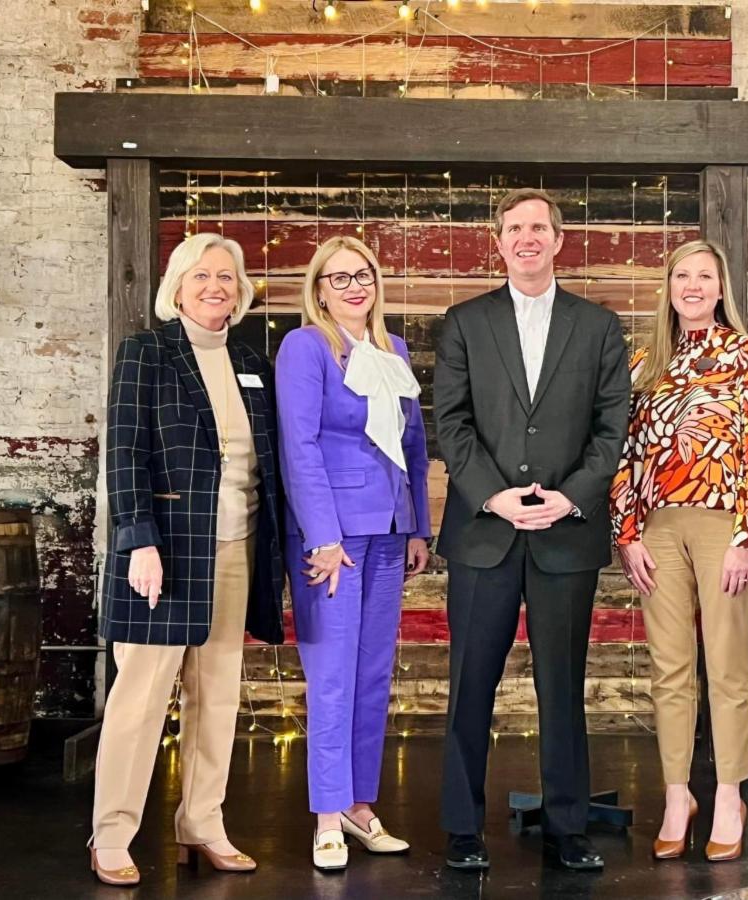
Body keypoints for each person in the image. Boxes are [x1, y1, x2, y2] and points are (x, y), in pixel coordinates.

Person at [433, 187, 630, 871]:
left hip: (563, 534)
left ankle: (567, 828)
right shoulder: (464, 322)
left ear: (558, 239)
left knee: (563, 687)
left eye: (538, 227)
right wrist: (495, 496)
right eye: (514, 228)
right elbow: (451, 423)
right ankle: (462, 829)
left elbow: (611, 429)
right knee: (470, 686)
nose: (527, 238)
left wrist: (569, 499)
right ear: (499, 242)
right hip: (484, 534)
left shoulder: (598, 326)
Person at [91, 233, 284, 886]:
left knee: (218, 696)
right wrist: (138, 540)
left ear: (241, 292)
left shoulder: (252, 362)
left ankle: (203, 822)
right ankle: (112, 833)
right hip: (165, 553)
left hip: (236, 549)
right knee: (141, 699)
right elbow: (125, 453)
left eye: (227, 277)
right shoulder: (147, 352)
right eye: (201, 275)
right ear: (176, 288)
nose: (215, 287)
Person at [610, 239, 748, 862]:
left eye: (704, 275)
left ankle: (730, 795)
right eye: (682, 275)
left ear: (720, 286)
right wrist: (627, 533)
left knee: (727, 663)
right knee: (670, 667)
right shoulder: (645, 362)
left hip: (724, 524)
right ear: (669, 286)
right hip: (657, 526)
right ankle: (677, 795)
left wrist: (746, 535)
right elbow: (625, 452)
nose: (692, 285)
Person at [277, 235, 431, 871]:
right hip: (333, 540)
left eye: (362, 274)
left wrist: (418, 526)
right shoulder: (305, 346)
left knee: (372, 676)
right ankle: (326, 815)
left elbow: (414, 444)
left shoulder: (393, 349)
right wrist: (323, 536)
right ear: (319, 291)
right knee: (333, 678)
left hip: (390, 530)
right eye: (338, 278)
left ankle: (359, 806)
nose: (353, 286)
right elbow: (299, 445)